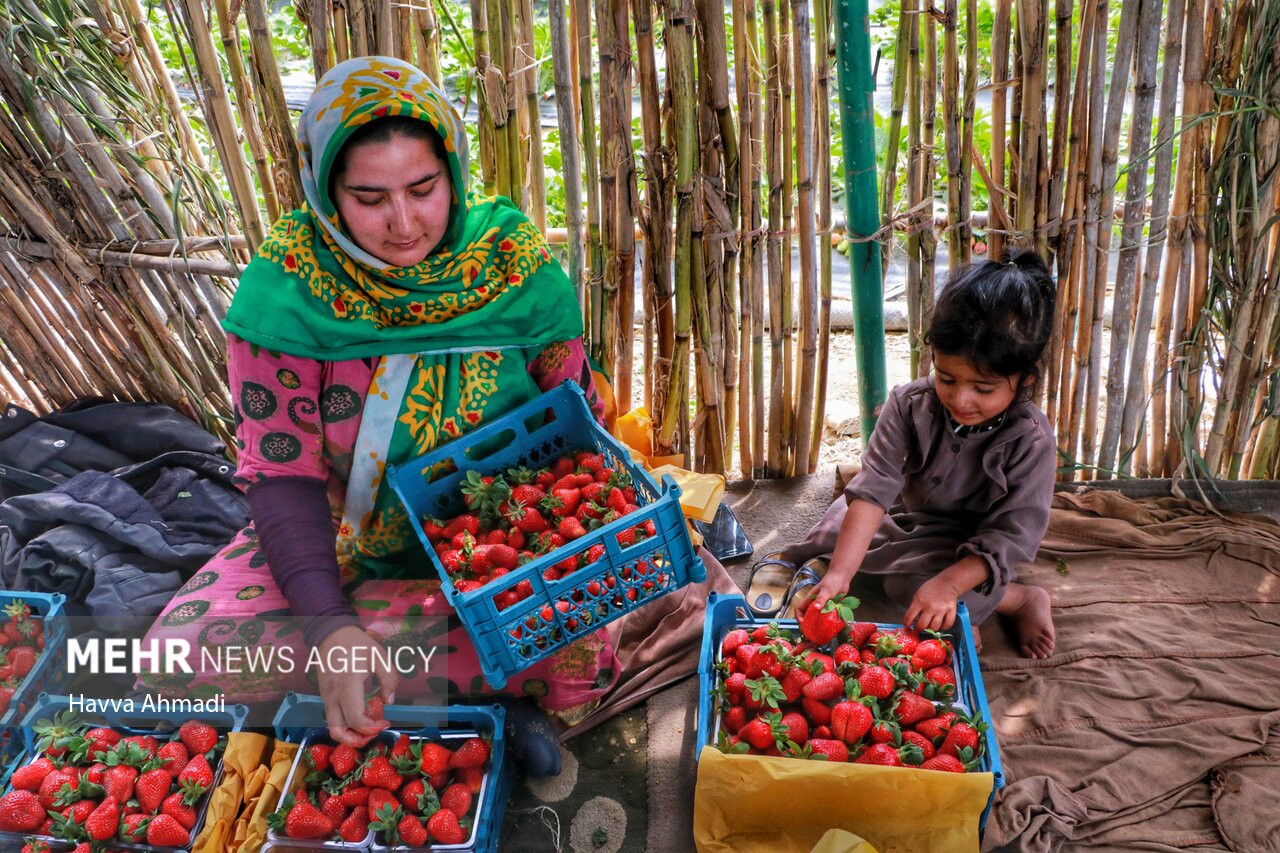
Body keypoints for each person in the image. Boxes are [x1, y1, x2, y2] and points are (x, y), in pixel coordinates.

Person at [136, 56, 619, 775]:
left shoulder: (510, 262)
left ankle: (386, 699)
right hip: (342, 544)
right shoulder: (291, 290)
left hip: (499, 546)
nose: (403, 223)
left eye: (423, 188)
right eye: (369, 197)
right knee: (172, 658)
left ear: (453, 172)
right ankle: (466, 704)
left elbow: (581, 428)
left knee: (575, 643)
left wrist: (539, 545)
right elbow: (281, 474)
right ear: (326, 193)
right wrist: (330, 626)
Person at [785, 251, 1059, 659]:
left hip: (971, 545)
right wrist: (839, 575)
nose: (960, 399)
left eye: (983, 389)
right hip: (902, 514)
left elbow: (1009, 538)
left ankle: (1016, 598)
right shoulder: (908, 404)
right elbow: (875, 487)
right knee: (829, 542)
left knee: (911, 588)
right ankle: (957, 610)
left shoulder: (1031, 439)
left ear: (1025, 380)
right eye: (947, 379)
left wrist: (948, 585)